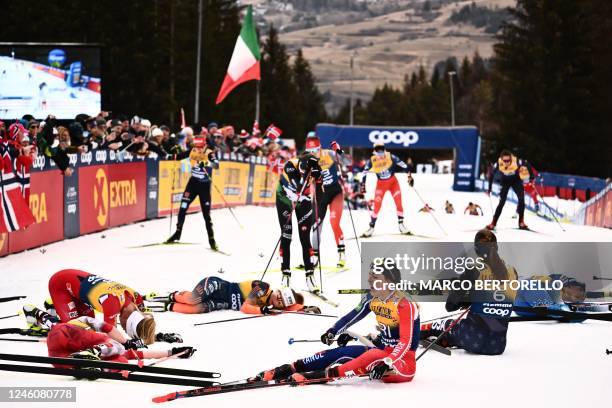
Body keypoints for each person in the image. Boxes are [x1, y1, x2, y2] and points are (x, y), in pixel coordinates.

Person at [289, 263, 420, 383]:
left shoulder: (404, 304)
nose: (369, 280)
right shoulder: (372, 298)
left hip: (403, 362)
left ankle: (320, 376)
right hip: (382, 351)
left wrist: (388, 362)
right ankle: (294, 367)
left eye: (375, 277)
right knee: (342, 352)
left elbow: (405, 341)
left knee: (372, 355)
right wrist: (332, 331)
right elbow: (350, 317)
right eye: (370, 276)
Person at [420, 229, 518, 355]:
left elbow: (450, 306)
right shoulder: (512, 271)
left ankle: (410, 333)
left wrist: (465, 296)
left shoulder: (474, 269)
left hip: (472, 339)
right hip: (498, 346)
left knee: (441, 325)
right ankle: (450, 338)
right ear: (497, 247)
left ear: (476, 249)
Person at [47, 269, 157, 345]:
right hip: (60, 284)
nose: (122, 328)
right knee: (72, 333)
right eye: (124, 327)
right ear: (128, 321)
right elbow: (109, 337)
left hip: (79, 291)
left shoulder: (137, 299)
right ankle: (39, 314)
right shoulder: (112, 303)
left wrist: (152, 335)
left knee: (88, 331)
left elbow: (145, 323)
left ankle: (57, 308)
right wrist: (127, 343)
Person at [276, 152, 322, 292]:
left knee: (305, 238)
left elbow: (320, 188)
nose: (302, 171)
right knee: (287, 236)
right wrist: (307, 175)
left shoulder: (314, 168)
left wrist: (318, 176)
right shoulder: (290, 165)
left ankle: (310, 277)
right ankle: (286, 274)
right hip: (285, 199)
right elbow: (297, 185)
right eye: (301, 168)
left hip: (303, 201)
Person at [154, 277, 320, 315]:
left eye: (282, 302)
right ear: (278, 291)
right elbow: (245, 307)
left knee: (197, 309)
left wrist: (304, 308)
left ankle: (168, 306)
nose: (279, 300)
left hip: (221, 303)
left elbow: (290, 308)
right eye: (280, 296)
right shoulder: (263, 287)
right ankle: (173, 295)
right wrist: (262, 311)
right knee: (193, 299)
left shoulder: (275, 305)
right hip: (217, 287)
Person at [166, 135, 219, 250]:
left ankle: (212, 240)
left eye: (200, 147)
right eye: (196, 146)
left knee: (206, 215)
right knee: (183, 206)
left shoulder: (210, 153)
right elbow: (178, 157)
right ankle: (177, 233)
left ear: (204, 145)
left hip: (204, 186)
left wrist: (205, 163)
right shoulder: (192, 151)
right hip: (193, 184)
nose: (198, 149)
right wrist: (168, 155)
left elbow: (216, 165)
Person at [304, 132, 346, 267]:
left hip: (335, 193)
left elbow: (346, 160)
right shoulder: (306, 160)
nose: (313, 154)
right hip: (320, 196)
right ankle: (315, 256)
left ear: (320, 148)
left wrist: (339, 150)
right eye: (310, 151)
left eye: (315, 150)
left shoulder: (329, 154)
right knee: (316, 226)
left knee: (334, 222)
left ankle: (341, 253)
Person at [361, 143, 414, 237]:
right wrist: (363, 184)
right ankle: (371, 228)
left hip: (393, 183)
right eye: (378, 150)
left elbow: (404, 165)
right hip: (381, 185)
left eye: (382, 149)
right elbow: (364, 172)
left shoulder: (391, 156)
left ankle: (401, 226)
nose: (380, 152)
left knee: (398, 203)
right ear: (374, 151)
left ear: (384, 149)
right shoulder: (372, 160)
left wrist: (409, 176)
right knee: (377, 206)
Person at [486, 150, 534, 230]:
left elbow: (528, 164)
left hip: (516, 180)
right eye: (505, 161)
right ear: (501, 159)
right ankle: (493, 223)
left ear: (511, 158)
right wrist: (489, 189)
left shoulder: (517, 161)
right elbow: (491, 175)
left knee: (521, 199)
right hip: (505, 181)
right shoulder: (498, 163)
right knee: (502, 202)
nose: (507, 162)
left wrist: (531, 178)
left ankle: (521, 222)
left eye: (508, 160)